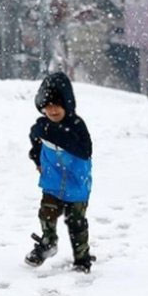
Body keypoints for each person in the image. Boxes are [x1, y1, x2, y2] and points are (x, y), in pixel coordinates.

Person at [25, 72, 95, 273]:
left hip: (76, 182)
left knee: (76, 222)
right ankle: (48, 244)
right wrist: (36, 157)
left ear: (67, 104)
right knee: (46, 213)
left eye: (56, 105)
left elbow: (85, 150)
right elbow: (36, 141)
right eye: (47, 106)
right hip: (53, 181)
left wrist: (55, 134)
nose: (52, 110)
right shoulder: (41, 126)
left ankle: (82, 259)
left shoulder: (76, 125)